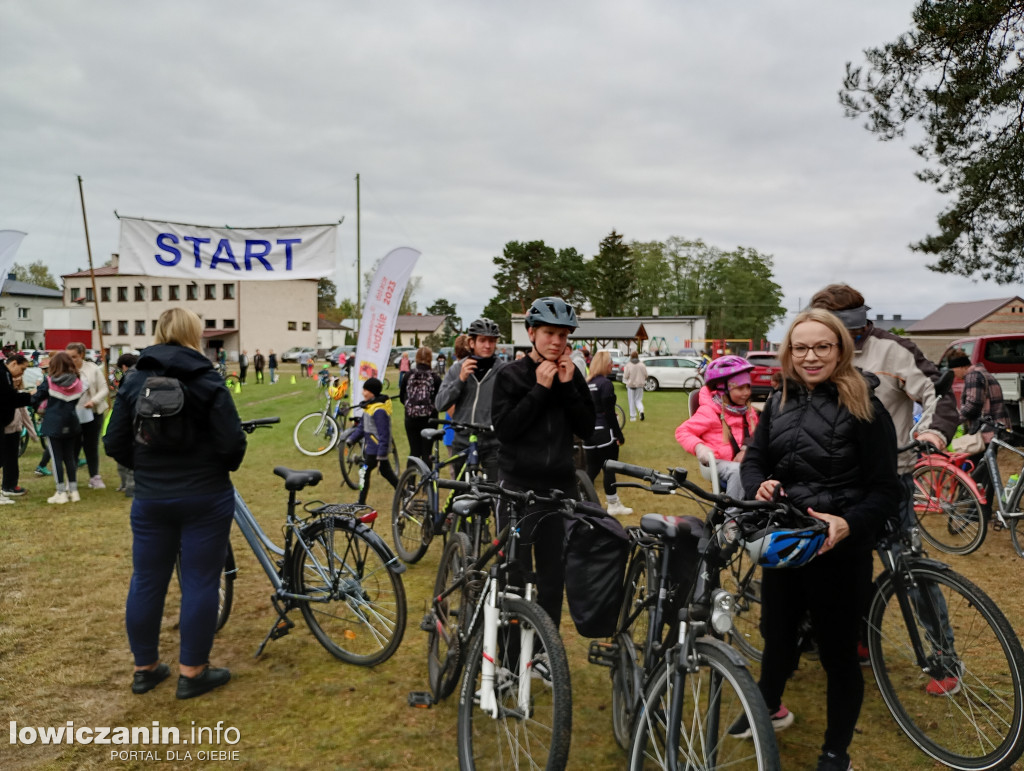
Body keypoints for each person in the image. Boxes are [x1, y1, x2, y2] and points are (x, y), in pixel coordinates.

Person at [737, 308, 900, 771]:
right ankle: (767, 707)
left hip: (839, 551)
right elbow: (754, 459)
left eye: (822, 347)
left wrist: (850, 524)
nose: (811, 357)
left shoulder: (864, 403)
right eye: (801, 347)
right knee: (777, 636)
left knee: (837, 655)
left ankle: (835, 751)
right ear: (789, 353)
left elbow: (888, 490)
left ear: (840, 349)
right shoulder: (779, 398)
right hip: (787, 541)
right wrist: (758, 485)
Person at [810, 283, 962, 693]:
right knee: (838, 569)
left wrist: (932, 434)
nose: (846, 342)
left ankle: (943, 660)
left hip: (889, 478)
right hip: (830, 482)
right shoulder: (814, 351)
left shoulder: (894, 350)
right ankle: (854, 639)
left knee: (910, 570)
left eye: (852, 333)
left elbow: (940, 393)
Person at [104, 307, 247, 700]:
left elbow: (114, 442)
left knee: (147, 580)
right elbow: (232, 442)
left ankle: (145, 668)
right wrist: (217, 469)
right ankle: (193, 671)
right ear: (194, 334)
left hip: (151, 497)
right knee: (201, 581)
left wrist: (146, 469)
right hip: (205, 494)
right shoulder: (206, 378)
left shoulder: (134, 379)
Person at [491, 297, 595, 629]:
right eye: (549, 333)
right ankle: (507, 659)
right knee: (514, 575)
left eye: (563, 335)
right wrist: (539, 388)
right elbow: (506, 430)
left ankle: (540, 654)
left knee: (553, 577)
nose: (556, 342)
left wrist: (566, 387)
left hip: (558, 488)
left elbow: (587, 428)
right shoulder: (511, 375)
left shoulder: (572, 375)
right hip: (518, 489)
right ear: (531, 332)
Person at [676, 355, 758, 500]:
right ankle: (731, 517)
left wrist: (746, 449)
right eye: (740, 387)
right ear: (722, 389)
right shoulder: (710, 411)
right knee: (738, 471)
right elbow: (683, 431)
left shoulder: (748, 411)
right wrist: (699, 447)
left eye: (748, 387)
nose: (746, 392)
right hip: (718, 462)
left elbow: (757, 433)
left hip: (744, 461)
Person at [435, 318, 506, 481]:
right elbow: (440, 404)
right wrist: (460, 380)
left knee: (494, 496)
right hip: (463, 440)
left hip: (493, 442)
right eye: (482, 340)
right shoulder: (457, 368)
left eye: (492, 341)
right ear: (471, 342)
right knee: (462, 498)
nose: (487, 346)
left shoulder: (503, 371)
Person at [948, 348, 1010, 505]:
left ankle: (977, 509)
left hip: (985, 431)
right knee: (988, 472)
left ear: (961, 366)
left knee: (977, 471)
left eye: (953, 369)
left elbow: (973, 405)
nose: (954, 374)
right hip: (996, 429)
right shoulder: (984, 373)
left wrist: (954, 421)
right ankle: (983, 508)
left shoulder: (973, 376)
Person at [582, 350, 631, 515]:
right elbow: (609, 413)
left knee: (592, 469)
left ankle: (581, 499)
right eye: (610, 362)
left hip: (589, 434)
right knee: (609, 469)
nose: (612, 364)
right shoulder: (605, 384)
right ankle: (613, 504)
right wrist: (619, 435)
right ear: (604, 364)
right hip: (605, 434)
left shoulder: (587, 383)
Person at [32, 351, 84, 504]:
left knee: (56, 459)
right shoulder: (78, 380)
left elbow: (36, 398)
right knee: (70, 457)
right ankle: (73, 491)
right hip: (72, 421)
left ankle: (60, 492)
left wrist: (36, 405)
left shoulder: (49, 381)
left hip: (54, 422)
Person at [345, 377, 398, 505]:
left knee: (367, 472)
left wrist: (382, 453)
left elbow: (384, 433)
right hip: (372, 449)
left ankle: (361, 502)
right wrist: (352, 439)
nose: (363, 392)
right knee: (385, 474)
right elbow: (362, 427)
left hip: (378, 450)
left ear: (372, 392)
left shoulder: (379, 410)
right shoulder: (369, 408)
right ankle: (404, 492)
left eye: (365, 390)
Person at [66, 341, 110, 489]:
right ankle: (71, 480)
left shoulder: (93, 369)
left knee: (91, 446)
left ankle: (94, 477)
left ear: (81, 355)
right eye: (68, 357)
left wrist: (94, 401)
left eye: (74, 357)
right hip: (73, 414)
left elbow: (104, 389)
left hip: (92, 413)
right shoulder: (64, 370)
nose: (71, 360)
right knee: (73, 446)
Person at [400, 347, 441, 463]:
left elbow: (402, 397)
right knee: (427, 452)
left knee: (414, 451)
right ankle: (427, 480)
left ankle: (410, 479)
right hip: (430, 419)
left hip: (411, 418)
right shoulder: (435, 378)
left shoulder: (408, 376)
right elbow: (439, 399)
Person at [0, 354, 33, 500]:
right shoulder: (3, 375)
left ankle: (8, 487)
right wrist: (30, 397)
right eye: (22, 369)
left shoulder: (5, 374)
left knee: (7, 456)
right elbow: (8, 399)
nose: (22, 373)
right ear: (13, 363)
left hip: (7, 423)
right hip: (4, 422)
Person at [113, 353, 139, 497]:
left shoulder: (127, 377)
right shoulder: (142, 373)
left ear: (123, 366)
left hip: (127, 418)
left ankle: (127, 485)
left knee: (125, 450)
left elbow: (118, 390)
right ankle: (127, 485)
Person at [621, 352, 648, 421]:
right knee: (638, 400)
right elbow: (646, 375)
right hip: (640, 385)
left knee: (631, 401)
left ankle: (633, 416)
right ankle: (641, 410)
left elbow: (625, 376)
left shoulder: (628, 365)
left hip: (631, 385)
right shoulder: (642, 365)